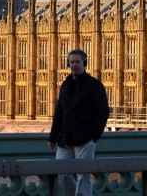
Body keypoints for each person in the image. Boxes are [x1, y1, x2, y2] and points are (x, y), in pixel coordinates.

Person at [48, 48, 110, 196]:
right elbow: (59, 112)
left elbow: (103, 112)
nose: (74, 65)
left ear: (84, 63)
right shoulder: (65, 85)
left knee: (83, 176)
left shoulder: (94, 85)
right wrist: (52, 137)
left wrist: (93, 136)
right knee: (63, 174)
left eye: (77, 61)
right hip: (66, 137)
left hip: (85, 138)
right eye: (71, 62)